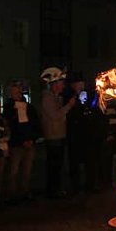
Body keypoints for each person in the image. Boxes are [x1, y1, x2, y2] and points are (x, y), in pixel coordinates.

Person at [40, 67, 76, 198]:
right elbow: (55, 115)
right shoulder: (47, 98)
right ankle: (52, 191)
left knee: (58, 165)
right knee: (54, 166)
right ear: (54, 84)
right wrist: (69, 106)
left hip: (59, 135)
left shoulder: (57, 97)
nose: (63, 85)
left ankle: (56, 189)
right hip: (53, 137)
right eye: (61, 83)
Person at [3, 82, 40, 203]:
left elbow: (35, 124)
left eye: (19, 92)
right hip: (16, 144)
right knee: (14, 170)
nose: (17, 94)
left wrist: (31, 139)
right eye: (15, 93)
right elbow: (10, 127)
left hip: (28, 143)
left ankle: (24, 192)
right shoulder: (9, 109)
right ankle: (12, 194)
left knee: (26, 170)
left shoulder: (29, 107)